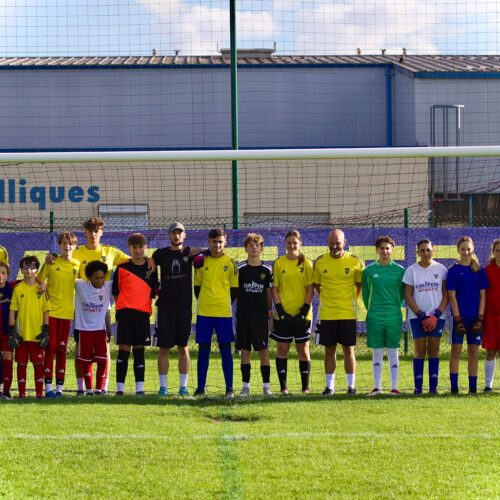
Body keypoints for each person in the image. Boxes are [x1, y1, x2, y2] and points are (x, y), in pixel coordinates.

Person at [152, 222, 204, 396]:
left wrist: (202, 257)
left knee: (183, 347)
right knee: (164, 348)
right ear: (169, 235)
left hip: (184, 308)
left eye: (179, 233)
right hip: (165, 307)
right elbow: (150, 265)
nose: (177, 236)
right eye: (174, 233)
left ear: (184, 235)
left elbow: (210, 251)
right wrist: (155, 286)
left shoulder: (191, 252)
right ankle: (163, 388)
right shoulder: (160, 254)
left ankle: (183, 387)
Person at [313, 229, 363, 395]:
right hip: (327, 313)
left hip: (348, 313)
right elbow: (316, 285)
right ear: (328, 242)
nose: (334, 246)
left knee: (349, 350)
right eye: (332, 243)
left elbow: (359, 285)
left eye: (338, 243)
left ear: (344, 242)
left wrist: (351, 301)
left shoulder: (354, 260)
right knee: (329, 350)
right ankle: (330, 387)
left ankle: (351, 387)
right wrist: (327, 298)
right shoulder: (320, 261)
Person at [193, 228, 238, 399]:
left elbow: (234, 289)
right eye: (214, 242)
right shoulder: (200, 262)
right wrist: (207, 301)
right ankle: (200, 388)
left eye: (220, 241)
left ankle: (229, 388)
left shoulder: (231, 263)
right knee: (203, 350)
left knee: (225, 350)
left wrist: (222, 303)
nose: (217, 245)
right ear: (208, 242)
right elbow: (197, 287)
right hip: (204, 312)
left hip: (223, 313)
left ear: (225, 241)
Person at [113, 233, 158, 396]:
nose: (138, 250)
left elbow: (153, 293)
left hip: (142, 315)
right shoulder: (122, 267)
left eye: (140, 247)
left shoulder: (151, 268)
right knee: (123, 348)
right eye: (134, 247)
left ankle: (140, 389)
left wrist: (144, 307)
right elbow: (116, 292)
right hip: (125, 314)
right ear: (129, 248)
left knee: (139, 350)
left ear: (145, 248)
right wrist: (122, 307)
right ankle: (120, 389)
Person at [270, 230, 313, 395]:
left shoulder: (306, 263)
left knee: (303, 351)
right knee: (282, 350)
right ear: (285, 244)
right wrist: (280, 311)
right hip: (283, 316)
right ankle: (283, 388)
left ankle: (305, 388)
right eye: (289, 242)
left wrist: (304, 311)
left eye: (295, 243)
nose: (292, 246)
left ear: (300, 243)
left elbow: (310, 289)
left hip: (303, 316)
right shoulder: (279, 263)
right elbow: (275, 289)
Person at [403, 239, 448, 395]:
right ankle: (418, 388)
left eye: (428, 250)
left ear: (433, 250)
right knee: (420, 351)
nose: (426, 253)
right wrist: (421, 315)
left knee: (434, 351)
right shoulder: (411, 270)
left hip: (437, 317)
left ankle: (433, 389)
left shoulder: (441, 269)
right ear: (418, 253)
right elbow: (408, 296)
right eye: (422, 250)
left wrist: (436, 315)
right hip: (417, 318)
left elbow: (446, 295)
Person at [362, 236, 405, 396]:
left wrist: (394, 307)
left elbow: (402, 293)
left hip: (393, 316)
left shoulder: (400, 270)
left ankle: (394, 387)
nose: (385, 251)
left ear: (392, 250)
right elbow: (365, 294)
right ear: (377, 250)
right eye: (382, 248)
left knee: (393, 351)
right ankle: (377, 387)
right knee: (377, 352)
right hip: (375, 316)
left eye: (387, 248)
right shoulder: (369, 270)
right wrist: (372, 309)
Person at [38, 232, 80, 398]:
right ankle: (48, 388)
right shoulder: (51, 262)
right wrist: (42, 284)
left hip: (67, 313)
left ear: (74, 246)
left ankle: (60, 389)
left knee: (62, 349)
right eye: (64, 243)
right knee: (51, 347)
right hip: (51, 312)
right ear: (59, 245)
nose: (67, 247)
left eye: (70, 244)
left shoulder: (77, 265)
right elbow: (38, 280)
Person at [447, 236, 489, 394]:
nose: (466, 252)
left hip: (475, 318)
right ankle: (454, 388)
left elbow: (483, 295)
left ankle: (473, 388)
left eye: (468, 249)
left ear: (473, 250)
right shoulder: (453, 271)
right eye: (463, 249)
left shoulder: (479, 271)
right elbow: (452, 296)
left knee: (474, 353)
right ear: (458, 250)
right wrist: (457, 318)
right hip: (459, 317)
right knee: (456, 352)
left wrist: (480, 318)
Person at [236, 233, 273, 396]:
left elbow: (269, 294)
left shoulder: (267, 269)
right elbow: (236, 293)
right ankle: (246, 387)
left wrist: (270, 314)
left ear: (261, 249)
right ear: (246, 249)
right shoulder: (240, 269)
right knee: (245, 350)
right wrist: (244, 307)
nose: (254, 248)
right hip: (244, 315)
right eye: (251, 245)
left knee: (263, 350)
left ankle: (266, 387)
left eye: (257, 245)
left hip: (261, 316)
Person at [8, 256, 50, 398]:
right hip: (21, 334)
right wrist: (12, 331)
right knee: (21, 364)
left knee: (38, 363)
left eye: (32, 267)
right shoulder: (18, 288)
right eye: (26, 267)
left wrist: (45, 330)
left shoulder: (42, 289)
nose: (29, 270)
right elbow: (12, 310)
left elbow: (46, 311)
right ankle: (21, 393)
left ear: (37, 270)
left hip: (37, 334)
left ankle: (39, 392)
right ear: (21, 270)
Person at [74, 261, 113, 396]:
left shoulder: (108, 286)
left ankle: (99, 389)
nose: (100, 280)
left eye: (102, 277)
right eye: (96, 278)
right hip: (84, 330)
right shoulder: (80, 285)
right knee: (86, 361)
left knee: (102, 360)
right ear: (89, 277)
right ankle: (89, 389)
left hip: (100, 330)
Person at [483, 238, 500, 391]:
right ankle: (488, 385)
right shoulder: (487, 270)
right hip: (490, 316)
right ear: (493, 252)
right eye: (497, 250)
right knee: (491, 351)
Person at [0, 262, 16, 399]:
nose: (0, 275)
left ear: (8, 275)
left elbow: (32, 278)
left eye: (3, 273)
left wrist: (42, 284)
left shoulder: (11, 287)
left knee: (8, 361)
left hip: (7, 332)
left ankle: (6, 391)